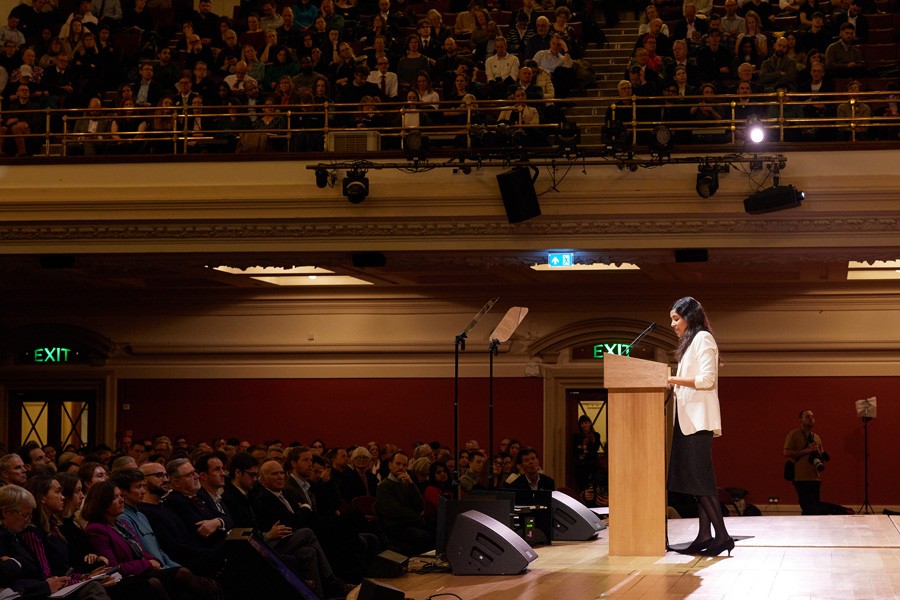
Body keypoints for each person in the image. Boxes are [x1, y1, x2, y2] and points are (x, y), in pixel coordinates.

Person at [666, 296, 733, 557]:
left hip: (698, 422)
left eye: (676, 319)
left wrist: (671, 379)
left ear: (689, 316)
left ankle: (722, 536)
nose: (673, 324)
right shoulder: (691, 341)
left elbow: (706, 380)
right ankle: (705, 534)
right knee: (697, 482)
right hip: (687, 422)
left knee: (701, 481)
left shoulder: (703, 338)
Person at [783, 409, 829, 515]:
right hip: (801, 478)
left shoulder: (816, 437)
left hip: (815, 478)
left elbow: (821, 456)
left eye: (812, 416)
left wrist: (820, 454)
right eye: (808, 416)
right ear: (800, 419)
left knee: (815, 508)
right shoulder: (794, 434)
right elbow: (786, 452)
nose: (811, 419)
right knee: (809, 508)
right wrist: (807, 450)